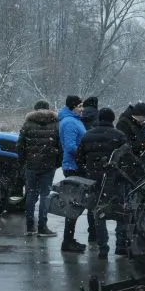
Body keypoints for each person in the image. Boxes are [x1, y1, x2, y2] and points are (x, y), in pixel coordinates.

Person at [75, 108, 127, 258]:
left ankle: (103, 248)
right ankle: (120, 245)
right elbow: (126, 158)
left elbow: (79, 158)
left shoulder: (88, 135)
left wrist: (89, 170)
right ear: (112, 119)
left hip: (94, 180)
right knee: (120, 211)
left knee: (98, 212)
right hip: (116, 179)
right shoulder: (119, 136)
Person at [16, 99, 61, 238]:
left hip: (31, 165)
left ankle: (30, 227)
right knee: (45, 195)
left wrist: (23, 162)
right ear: (48, 109)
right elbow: (60, 146)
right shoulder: (55, 124)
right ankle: (42, 227)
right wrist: (56, 163)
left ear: (35, 110)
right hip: (48, 165)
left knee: (30, 194)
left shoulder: (28, 124)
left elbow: (20, 146)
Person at [57, 95, 88, 253]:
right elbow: (70, 146)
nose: (82, 109)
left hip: (74, 165)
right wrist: (85, 154)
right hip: (73, 166)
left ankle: (69, 239)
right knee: (73, 204)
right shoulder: (69, 122)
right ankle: (67, 242)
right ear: (72, 107)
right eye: (79, 106)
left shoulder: (72, 120)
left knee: (75, 203)